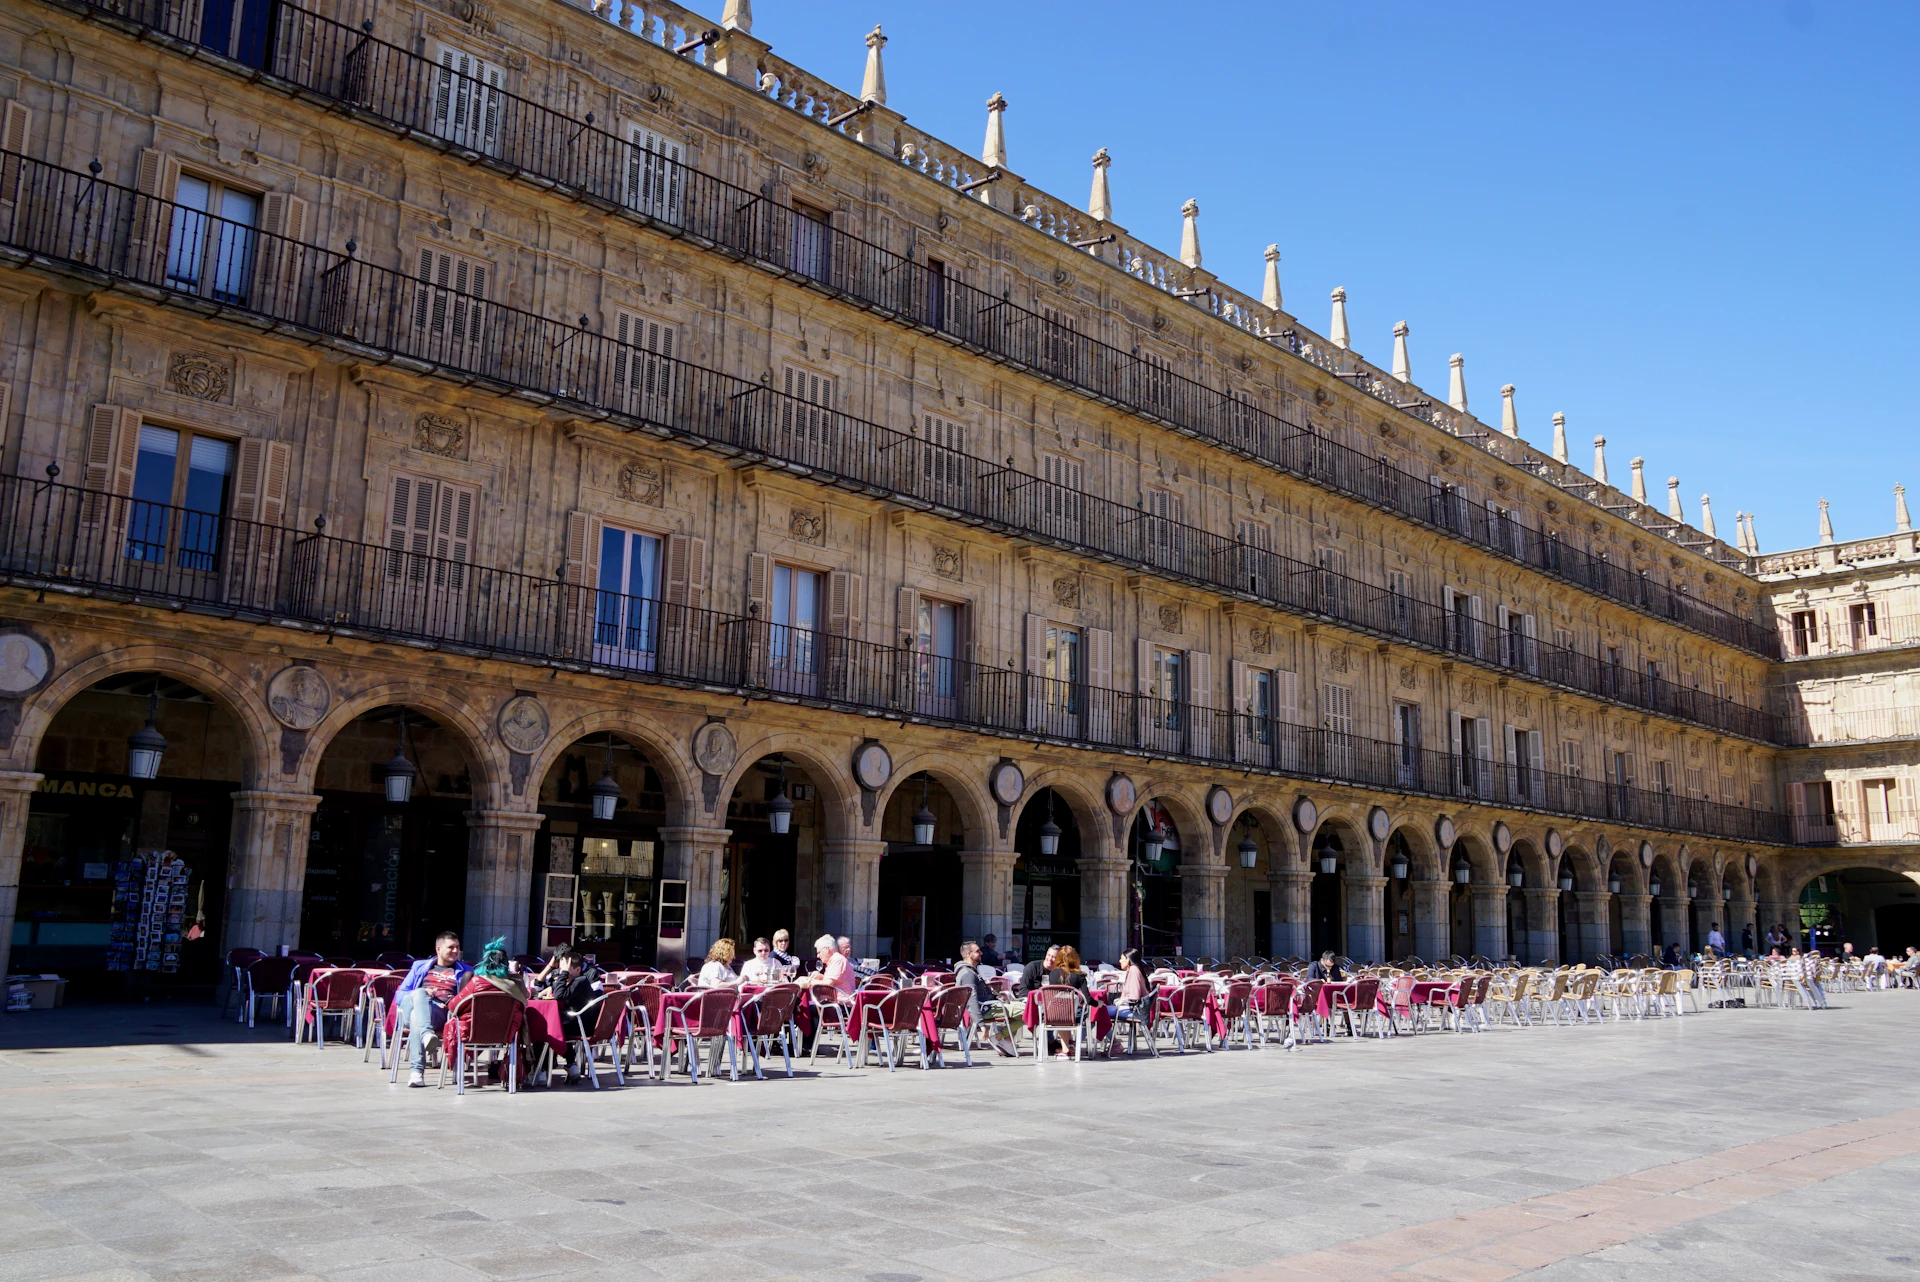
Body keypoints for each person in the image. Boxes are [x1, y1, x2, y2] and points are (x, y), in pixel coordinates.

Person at [443, 937, 529, 1085]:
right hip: (506, 1033)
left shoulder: (476, 982)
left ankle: (458, 1072)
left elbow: (453, 1007)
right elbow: (525, 1000)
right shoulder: (515, 982)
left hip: (472, 1032)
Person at [397, 931, 472, 1088]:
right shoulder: (419, 967)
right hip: (414, 1003)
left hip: (442, 1013)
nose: (455, 951)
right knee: (419, 993)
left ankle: (417, 1072)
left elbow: (468, 1000)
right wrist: (423, 994)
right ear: (438, 949)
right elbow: (400, 995)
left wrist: (453, 1002)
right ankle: (426, 1034)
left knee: (416, 1017)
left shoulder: (465, 971)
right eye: (450, 947)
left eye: (457, 947)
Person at [955, 939, 1018, 1056]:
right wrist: (982, 1025)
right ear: (969, 954)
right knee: (1028, 1011)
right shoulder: (968, 974)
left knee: (1027, 1009)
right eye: (978, 951)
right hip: (986, 1009)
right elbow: (971, 1000)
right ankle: (1000, 1038)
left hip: (991, 1006)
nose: (981, 953)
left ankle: (1003, 1040)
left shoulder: (971, 971)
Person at [818, 933, 857, 997]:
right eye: (846, 947)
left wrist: (809, 981)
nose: (818, 956)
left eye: (819, 952)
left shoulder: (838, 960)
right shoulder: (835, 959)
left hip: (840, 1003)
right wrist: (821, 977)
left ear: (827, 950)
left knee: (804, 1005)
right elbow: (836, 981)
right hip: (835, 1001)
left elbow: (828, 984)